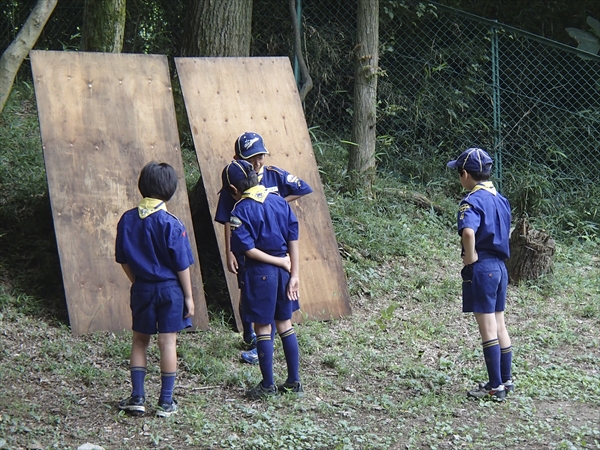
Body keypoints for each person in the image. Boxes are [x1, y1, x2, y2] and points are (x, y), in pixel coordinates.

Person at [214, 131, 312, 365]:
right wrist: (228, 251)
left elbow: (303, 188)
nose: (257, 162)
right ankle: (252, 338)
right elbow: (228, 219)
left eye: (260, 156)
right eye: (251, 158)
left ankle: (262, 352)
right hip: (251, 254)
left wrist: (275, 201)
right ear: (238, 158)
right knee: (249, 295)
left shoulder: (273, 177)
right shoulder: (234, 183)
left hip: (268, 257)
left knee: (272, 315)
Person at [115, 161, 195, 417]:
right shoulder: (172, 223)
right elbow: (182, 264)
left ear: (142, 186)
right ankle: (165, 402)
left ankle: (137, 398)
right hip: (171, 290)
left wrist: (137, 281)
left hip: (142, 288)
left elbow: (123, 259)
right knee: (168, 342)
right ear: (170, 190)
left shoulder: (127, 220)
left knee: (140, 341)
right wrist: (189, 296)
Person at [222, 159, 303, 399]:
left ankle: (267, 385)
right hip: (285, 273)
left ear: (234, 190)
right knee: (285, 324)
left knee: (263, 328)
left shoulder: (240, 210)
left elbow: (247, 249)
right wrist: (294, 273)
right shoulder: (278, 201)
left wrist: (278, 262)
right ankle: (293, 382)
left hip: (260, 274)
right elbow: (293, 238)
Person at [447, 147, 514, 401]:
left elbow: (468, 232)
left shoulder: (471, 201)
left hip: (484, 267)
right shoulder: (501, 199)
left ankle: (494, 386)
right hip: (500, 267)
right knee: (500, 324)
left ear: (465, 174)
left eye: (459, 173)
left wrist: (471, 255)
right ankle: (506, 381)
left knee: (487, 329)